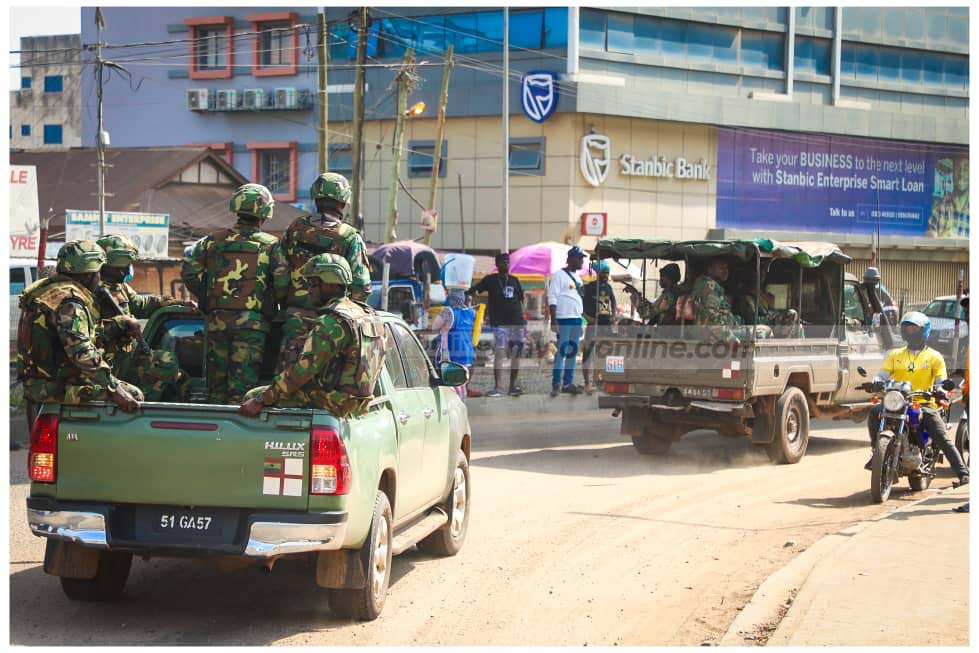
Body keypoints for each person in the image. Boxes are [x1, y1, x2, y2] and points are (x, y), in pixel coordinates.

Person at [238, 254, 386, 418]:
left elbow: (303, 371)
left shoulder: (332, 322)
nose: (308, 290)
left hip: (338, 403)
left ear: (329, 284)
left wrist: (261, 400)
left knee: (252, 396)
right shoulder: (366, 314)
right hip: (360, 403)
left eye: (313, 284)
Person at [181, 183, 287, 404]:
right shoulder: (272, 245)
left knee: (215, 390)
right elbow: (282, 282)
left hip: (216, 323)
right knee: (242, 393)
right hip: (253, 327)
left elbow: (189, 272)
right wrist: (272, 304)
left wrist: (206, 298)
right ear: (265, 212)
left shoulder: (213, 241)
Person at [16, 240, 142, 419]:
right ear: (88, 275)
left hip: (38, 380)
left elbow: (68, 337)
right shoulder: (71, 303)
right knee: (134, 395)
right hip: (54, 386)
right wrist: (114, 389)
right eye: (98, 273)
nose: (99, 279)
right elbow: (82, 352)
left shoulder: (47, 290)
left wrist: (118, 324)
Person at [276, 173, 372, 374]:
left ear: (315, 198)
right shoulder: (349, 236)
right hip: (334, 325)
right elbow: (361, 287)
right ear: (343, 202)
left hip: (296, 320)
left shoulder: (295, 229)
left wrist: (287, 304)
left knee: (288, 383)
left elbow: (279, 274)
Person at [864, 311, 969, 487]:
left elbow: (941, 380)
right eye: (907, 328)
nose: (910, 332)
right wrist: (875, 382)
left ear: (923, 331)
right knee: (875, 411)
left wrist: (941, 390)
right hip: (898, 402)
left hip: (923, 403)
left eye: (914, 328)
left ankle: (963, 474)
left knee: (941, 435)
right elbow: (882, 375)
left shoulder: (934, 357)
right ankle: (878, 452)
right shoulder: (894, 354)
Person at [96, 234, 194, 401]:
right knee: (164, 363)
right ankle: (143, 412)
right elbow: (88, 333)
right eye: (125, 265)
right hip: (106, 363)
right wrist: (119, 324)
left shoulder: (119, 287)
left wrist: (178, 303)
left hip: (126, 357)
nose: (128, 270)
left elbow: (141, 304)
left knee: (180, 379)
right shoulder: (92, 291)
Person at [467, 251, 526, 397]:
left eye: (508, 262)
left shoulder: (514, 280)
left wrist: (523, 322)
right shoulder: (490, 280)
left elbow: (521, 300)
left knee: (515, 355)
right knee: (499, 353)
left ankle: (513, 386)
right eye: (503, 262)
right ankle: (498, 387)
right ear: (497, 264)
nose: (506, 264)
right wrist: (472, 304)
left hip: (517, 323)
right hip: (499, 324)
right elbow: (473, 290)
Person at [548, 246, 587, 397]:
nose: (582, 261)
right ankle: (556, 383)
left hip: (577, 319)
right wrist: (554, 320)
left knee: (572, 351)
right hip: (563, 318)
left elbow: (579, 300)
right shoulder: (559, 275)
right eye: (579, 258)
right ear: (571, 259)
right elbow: (552, 297)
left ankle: (568, 383)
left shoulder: (578, 278)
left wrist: (582, 320)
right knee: (562, 351)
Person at [432, 288, 476, 400]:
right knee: (462, 382)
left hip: (451, 354)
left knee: (453, 385)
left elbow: (434, 327)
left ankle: (457, 406)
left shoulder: (448, 312)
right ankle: (462, 404)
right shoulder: (471, 313)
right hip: (467, 353)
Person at [582, 260, 617, 394]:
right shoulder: (589, 287)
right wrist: (587, 318)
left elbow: (613, 302)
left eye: (607, 273)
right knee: (588, 354)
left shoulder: (608, 287)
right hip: (593, 325)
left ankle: (605, 381)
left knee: (606, 354)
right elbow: (580, 306)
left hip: (606, 325)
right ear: (597, 272)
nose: (606, 276)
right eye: (603, 273)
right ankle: (587, 383)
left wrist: (613, 316)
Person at [689, 257, 744, 342]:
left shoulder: (712, 286)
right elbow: (712, 319)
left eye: (726, 268)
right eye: (721, 268)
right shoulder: (709, 287)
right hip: (714, 339)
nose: (725, 271)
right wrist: (730, 338)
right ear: (710, 269)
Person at [927, 156, 969, 238]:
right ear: (952, 173)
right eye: (957, 168)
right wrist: (940, 237)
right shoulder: (941, 207)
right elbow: (928, 236)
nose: (961, 173)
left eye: (966, 169)